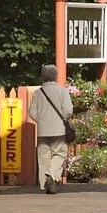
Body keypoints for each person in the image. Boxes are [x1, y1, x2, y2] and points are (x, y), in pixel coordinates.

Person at [27, 64, 73, 194]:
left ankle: (44, 183)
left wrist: (41, 120)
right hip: (59, 129)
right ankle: (52, 175)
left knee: (43, 156)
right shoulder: (62, 91)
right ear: (56, 76)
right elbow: (68, 110)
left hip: (42, 130)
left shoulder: (38, 93)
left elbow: (32, 112)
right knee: (59, 153)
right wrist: (62, 118)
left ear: (43, 76)